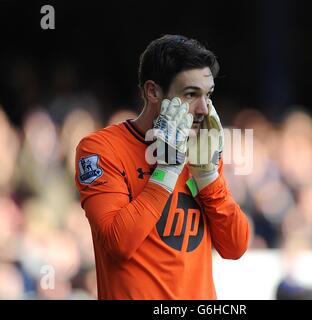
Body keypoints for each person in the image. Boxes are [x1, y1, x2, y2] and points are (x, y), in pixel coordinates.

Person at [74, 34, 250, 300]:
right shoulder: (100, 149)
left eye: (208, 95)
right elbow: (117, 245)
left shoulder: (201, 148)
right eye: (191, 94)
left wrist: (208, 176)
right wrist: (166, 170)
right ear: (153, 91)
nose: (203, 108)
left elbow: (235, 247)